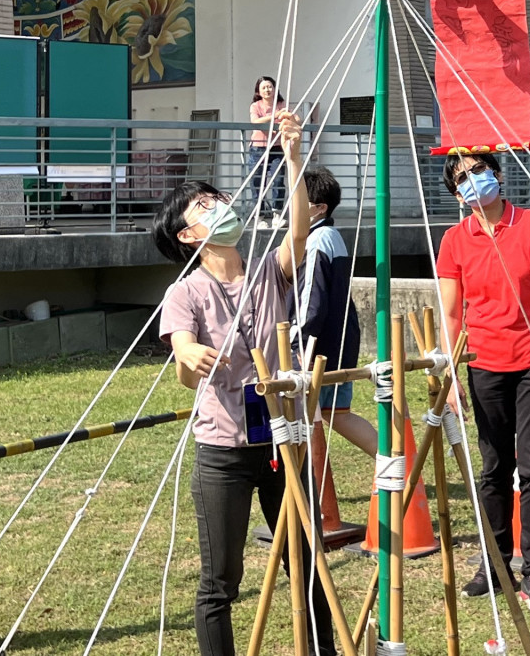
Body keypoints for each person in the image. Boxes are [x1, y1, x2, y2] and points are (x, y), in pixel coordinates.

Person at [152, 110, 337, 656]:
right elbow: (185, 363)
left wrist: (294, 156)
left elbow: (300, 233)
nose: (221, 206)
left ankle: (324, 649)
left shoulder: (266, 268)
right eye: (204, 207)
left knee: (306, 560)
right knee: (220, 580)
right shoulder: (185, 293)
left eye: (217, 198)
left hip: (282, 442)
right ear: (189, 235)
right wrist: (188, 351)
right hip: (224, 449)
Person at [436, 151, 530, 612]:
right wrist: (452, 374)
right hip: (484, 366)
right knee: (493, 469)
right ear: (457, 195)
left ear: (496, 172)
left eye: (479, 170)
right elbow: (452, 313)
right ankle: (494, 566)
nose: (474, 180)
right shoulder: (455, 239)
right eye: (463, 177)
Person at [287, 166, 377, 458]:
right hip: (339, 340)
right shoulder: (331, 235)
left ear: (319, 207)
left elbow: (311, 300)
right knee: (336, 413)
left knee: (305, 416)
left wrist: (295, 341)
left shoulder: (317, 241)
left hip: (317, 347)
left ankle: (310, 492)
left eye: (299, 200)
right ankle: (394, 458)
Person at [248, 75, 286, 228]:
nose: (267, 90)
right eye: (264, 87)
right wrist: (274, 116)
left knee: (278, 179)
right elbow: (255, 121)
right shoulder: (255, 106)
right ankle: (260, 217)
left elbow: (290, 117)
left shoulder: (282, 104)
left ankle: (277, 214)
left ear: (275, 88)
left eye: (269, 86)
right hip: (258, 148)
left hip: (277, 148)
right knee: (257, 182)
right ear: (258, 90)